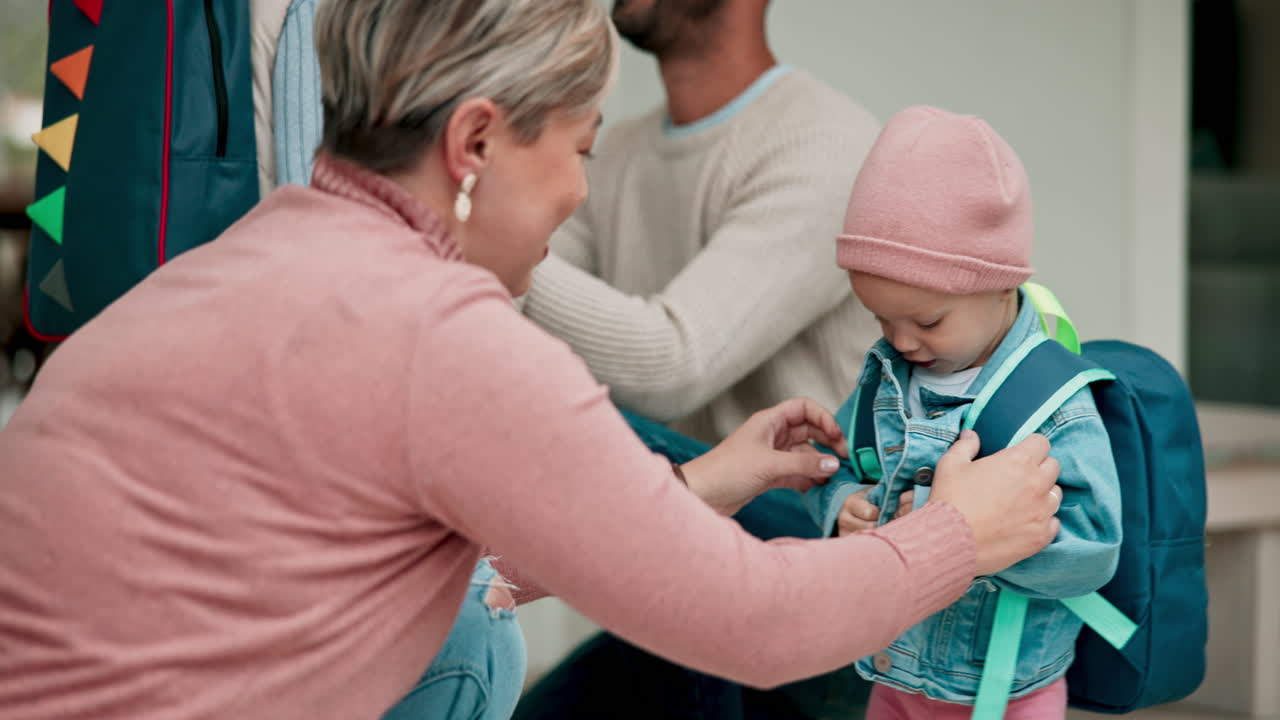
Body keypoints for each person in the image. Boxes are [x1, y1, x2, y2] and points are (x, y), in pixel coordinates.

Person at [0, 4, 1064, 720]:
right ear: (474, 144)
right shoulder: (437, 331)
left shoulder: (247, 261)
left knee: (471, 616)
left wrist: (698, 484)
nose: (579, 191)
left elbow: (383, 573)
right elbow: (754, 623)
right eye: (578, 149)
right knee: (480, 642)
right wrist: (958, 535)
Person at [516, 1, 885, 715]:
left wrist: (470, 233)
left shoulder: (828, 145)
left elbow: (672, 362)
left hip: (827, 556)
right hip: (692, 552)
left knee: (601, 433)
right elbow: (507, 313)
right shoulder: (616, 152)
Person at [808, 106, 1123, 719]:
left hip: (1004, 690)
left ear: (1001, 285)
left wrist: (948, 526)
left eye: (927, 321)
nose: (900, 341)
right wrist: (840, 507)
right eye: (881, 319)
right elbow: (840, 463)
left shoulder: (1051, 405)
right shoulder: (889, 379)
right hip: (891, 670)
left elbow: (1092, 546)